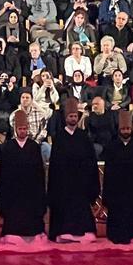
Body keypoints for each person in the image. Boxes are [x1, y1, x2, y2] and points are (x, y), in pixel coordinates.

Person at [47, 98, 100, 243]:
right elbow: (55, 166)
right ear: (66, 118)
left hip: (81, 185)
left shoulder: (83, 137)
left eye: (75, 116)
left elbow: (91, 162)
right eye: (71, 116)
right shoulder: (59, 138)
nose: (73, 119)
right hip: (63, 186)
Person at [0, 110, 47, 243]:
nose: (23, 131)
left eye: (25, 128)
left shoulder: (34, 147)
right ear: (15, 129)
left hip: (31, 192)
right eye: (20, 129)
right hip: (13, 192)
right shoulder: (8, 147)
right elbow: (3, 174)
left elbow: (40, 173)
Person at [102, 109, 133, 244]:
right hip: (117, 194)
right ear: (119, 129)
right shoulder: (112, 147)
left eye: (128, 128)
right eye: (123, 128)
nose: (126, 131)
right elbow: (108, 175)